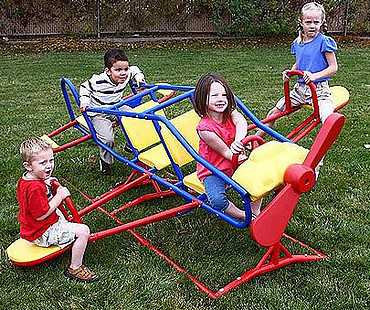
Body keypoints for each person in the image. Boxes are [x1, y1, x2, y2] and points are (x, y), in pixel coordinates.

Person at [17, 137, 99, 283]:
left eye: (51, 160)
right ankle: (75, 267)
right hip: (41, 231)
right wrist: (59, 195)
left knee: (65, 217)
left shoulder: (28, 180)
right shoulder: (35, 188)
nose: (49, 166)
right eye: (43, 163)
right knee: (83, 231)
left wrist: (46, 181)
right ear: (28, 166)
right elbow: (41, 215)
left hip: (32, 226)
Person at [256, 2, 338, 137]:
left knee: (328, 120)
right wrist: (290, 71)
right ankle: (254, 140)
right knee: (274, 112)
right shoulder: (298, 42)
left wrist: (314, 76)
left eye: (316, 22)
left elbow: (333, 67)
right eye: (308, 22)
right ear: (301, 22)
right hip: (299, 89)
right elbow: (300, 62)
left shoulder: (324, 41)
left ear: (322, 22)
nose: (312, 26)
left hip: (319, 91)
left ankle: (318, 155)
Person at [193, 73, 262, 220]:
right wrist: (241, 156)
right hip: (214, 170)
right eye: (214, 95)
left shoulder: (230, 112)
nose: (220, 99)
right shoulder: (204, 128)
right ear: (202, 98)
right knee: (217, 200)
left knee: (259, 177)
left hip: (235, 161)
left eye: (224, 95)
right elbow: (226, 152)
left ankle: (255, 211)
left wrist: (239, 140)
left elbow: (241, 122)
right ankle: (243, 215)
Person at [79, 48, 146, 175]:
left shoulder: (127, 74)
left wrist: (139, 78)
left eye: (125, 69)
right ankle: (105, 162)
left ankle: (130, 145)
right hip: (99, 112)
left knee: (139, 119)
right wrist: (84, 102)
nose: (123, 73)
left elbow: (135, 69)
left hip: (117, 106)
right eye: (118, 70)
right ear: (108, 71)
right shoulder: (97, 80)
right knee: (107, 139)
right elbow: (84, 88)